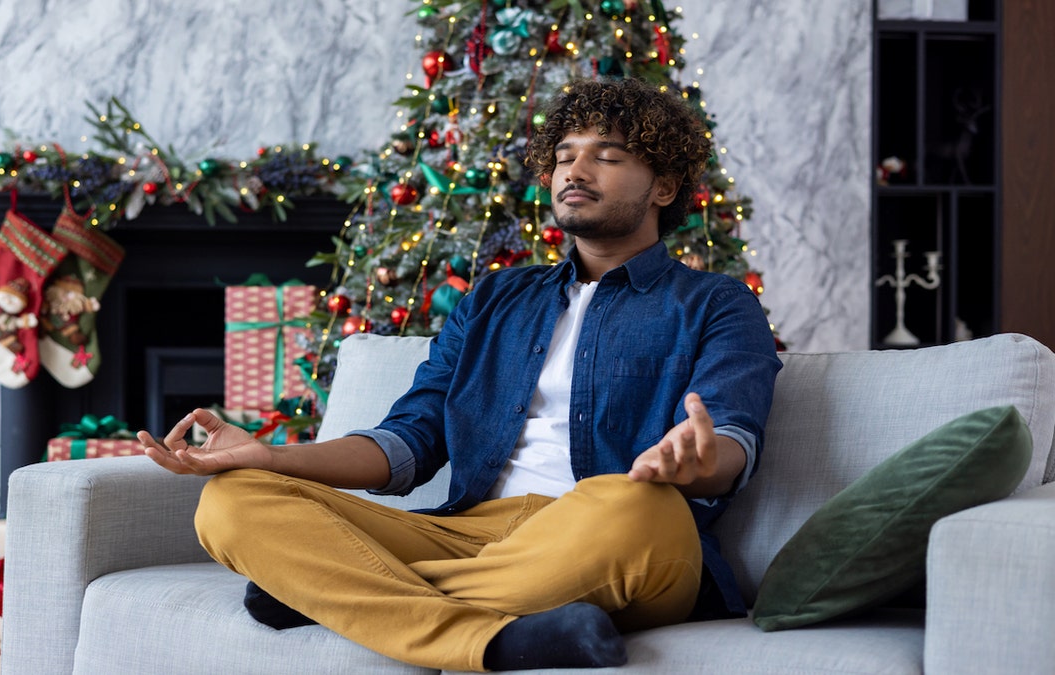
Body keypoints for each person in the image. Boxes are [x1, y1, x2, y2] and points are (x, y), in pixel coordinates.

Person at [139, 77, 781, 672]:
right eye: (563, 156)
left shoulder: (715, 303)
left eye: (606, 157)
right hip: (468, 532)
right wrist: (272, 455)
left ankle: (332, 594)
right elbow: (408, 442)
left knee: (637, 506)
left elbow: (731, 438)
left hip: (605, 529)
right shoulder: (496, 298)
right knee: (233, 500)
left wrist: (696, 461)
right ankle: (496, 639)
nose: (574, 171)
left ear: (663, 187)